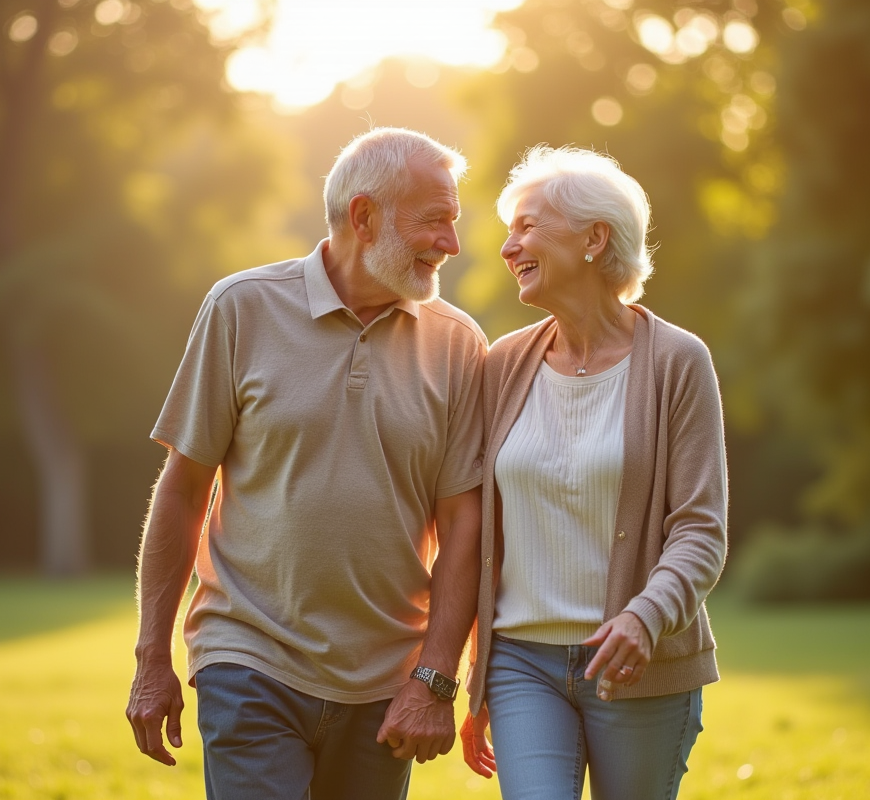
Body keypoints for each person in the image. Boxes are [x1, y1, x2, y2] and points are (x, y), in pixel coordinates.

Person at [126, 127, 487, 800]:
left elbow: (464, 526)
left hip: (387, 686)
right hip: (249, 657)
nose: (452, 243)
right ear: (363, 216)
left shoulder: (460, 345)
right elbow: (182, 491)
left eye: (453, 222)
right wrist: (153, 657)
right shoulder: (241, 308)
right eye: (435, 220)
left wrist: (436, 680)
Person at [459, 145, 728, 799]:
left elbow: (700, 529)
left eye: (526, 226)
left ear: (593, 239)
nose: (507, 246)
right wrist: (472, 672)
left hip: (640, 664)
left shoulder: (677, 362)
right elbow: (471, 528)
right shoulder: (501, 366)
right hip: (522, 663)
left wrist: (643, 617)